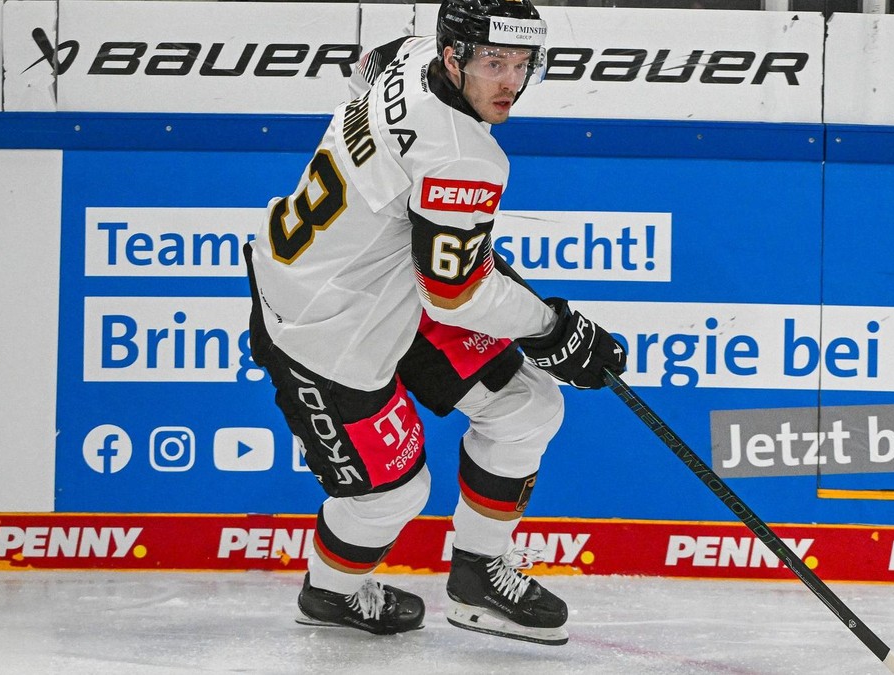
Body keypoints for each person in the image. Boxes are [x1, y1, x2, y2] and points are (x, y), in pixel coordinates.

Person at [243, 0, 626, 647]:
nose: (509, 81)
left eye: (521, 64)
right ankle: (329, 595)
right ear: (453, 58)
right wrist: (553, 329)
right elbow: (456, 293)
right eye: (492, 63)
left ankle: (477, 577)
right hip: (322, 329)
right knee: (391, 493)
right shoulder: (464, 153)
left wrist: (419, 217)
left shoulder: (415, 52)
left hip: (380, 283)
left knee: (525, 405)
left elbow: (368, 70)